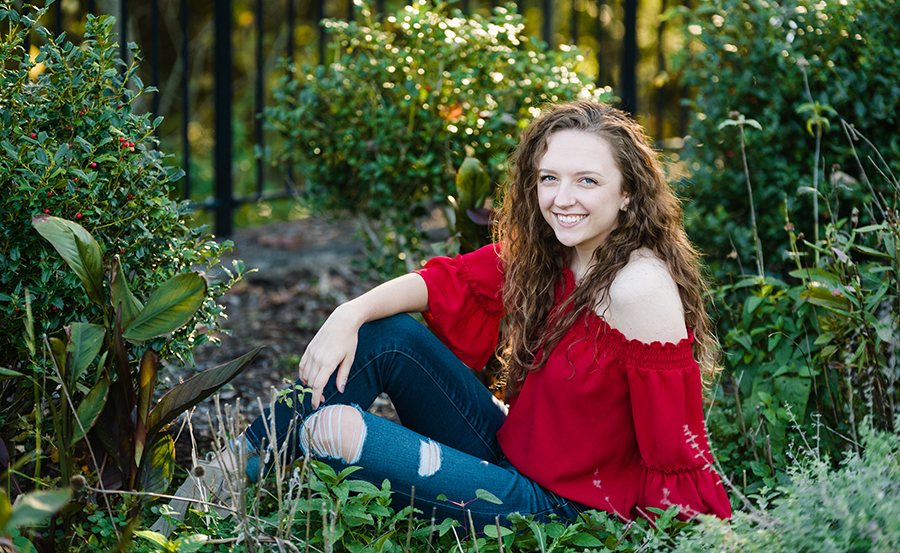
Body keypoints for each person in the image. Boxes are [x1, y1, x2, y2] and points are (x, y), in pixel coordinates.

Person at [219, 101, 731, 529]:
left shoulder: (639, 288)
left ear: (627, 194)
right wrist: (346, 313)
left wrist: (693, 537)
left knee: (332, 430)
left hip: (559, 507)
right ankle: (222, 478)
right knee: (384, 332)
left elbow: (676, 449)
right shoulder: (560, 250)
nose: (562, 199)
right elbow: (444, 283)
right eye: (549, 178)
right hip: (511, 448)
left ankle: (246, 479)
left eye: (588, 181)